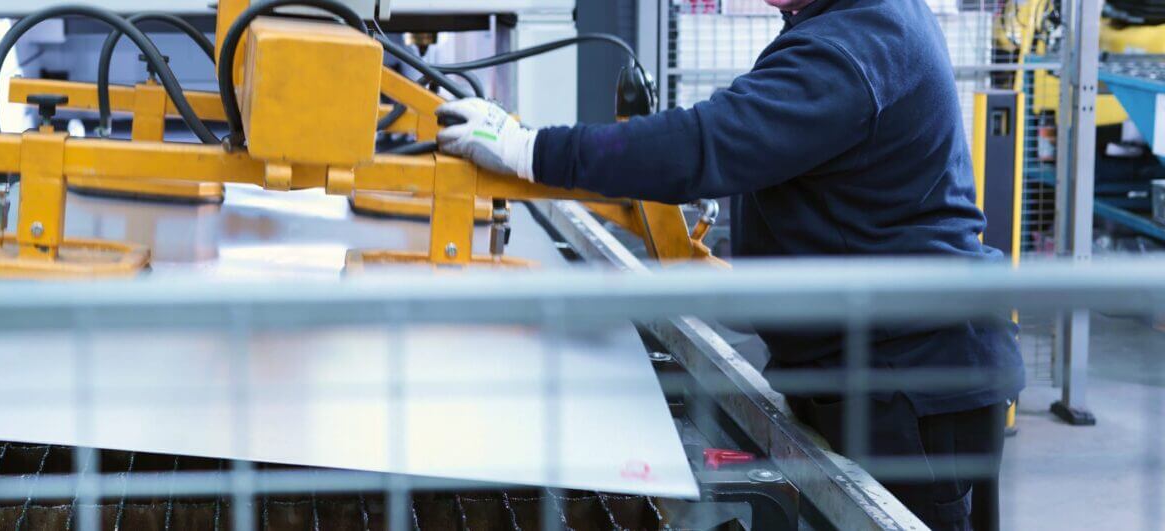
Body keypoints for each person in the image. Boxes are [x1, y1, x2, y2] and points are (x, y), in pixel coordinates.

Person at [433, 0, 1025, 528]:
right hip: (890, 366)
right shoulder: (850, 23)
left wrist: (528, 149)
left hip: (913, 381)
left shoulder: (854, 42)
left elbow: (704, 144)